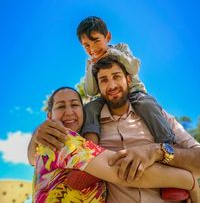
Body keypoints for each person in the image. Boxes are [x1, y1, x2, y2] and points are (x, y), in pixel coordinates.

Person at [30, 86, 197, 203]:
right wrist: (191, 182)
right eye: (61, 106)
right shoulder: (60, 139)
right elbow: (121, 170)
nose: (69, 112)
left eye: (75, 105)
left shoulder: (81, 142)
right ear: (49, 116)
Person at [76, 16, 176, 145]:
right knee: (90, 108)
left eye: (96, 41)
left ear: (107, 37)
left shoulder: (121, 48)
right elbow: (91, 91)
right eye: (86, 45)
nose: (92, 48)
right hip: (108, 97)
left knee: (147, 105)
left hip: (134, 92)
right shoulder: (91, 63)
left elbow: (133, 69)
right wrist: (90, 67)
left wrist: (112, 52)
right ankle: (90, 146)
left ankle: (167, 141)